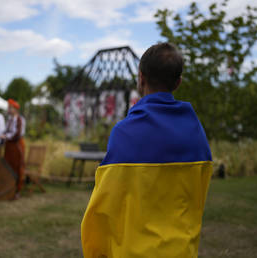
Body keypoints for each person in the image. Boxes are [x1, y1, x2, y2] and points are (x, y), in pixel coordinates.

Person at [81, 43, 213, 258]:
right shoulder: (195, 132)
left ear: (140, 78)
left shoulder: (124, 133)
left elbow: (103, 207)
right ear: (178, 82)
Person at [1, 99, 26, 200]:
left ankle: (17, 190)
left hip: (16, 145)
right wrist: (3, 136)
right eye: (8, 108)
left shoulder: (20, 119)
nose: (9, 110)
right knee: (8, 165)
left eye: (10, 108)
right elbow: (6, 131)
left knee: (17, 166)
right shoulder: (9, 120)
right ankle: (9, 187)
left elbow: (18, 134)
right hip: (9, 146)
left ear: (15, 109)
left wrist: (6, 136)